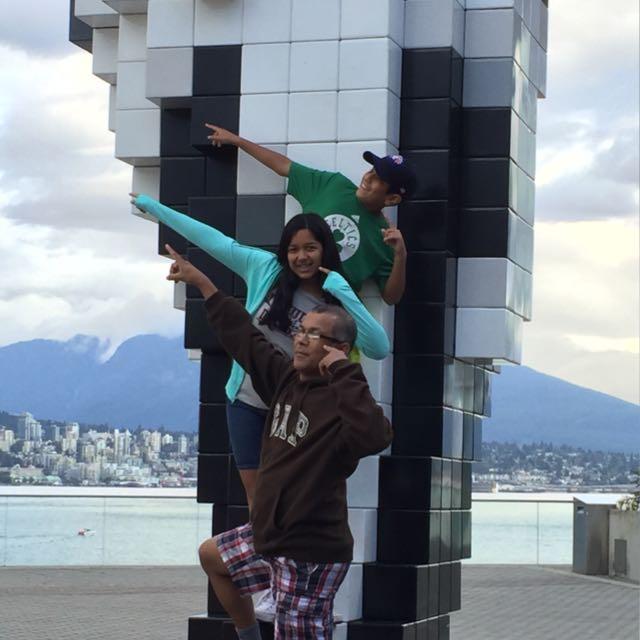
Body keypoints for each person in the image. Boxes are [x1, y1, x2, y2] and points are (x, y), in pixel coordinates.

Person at [163, 244, 393, 640]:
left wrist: (345, 371)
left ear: (337, 349)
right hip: (272, 535)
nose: (301, 340)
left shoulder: (344, 404)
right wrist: (202, 283)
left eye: (314, 335)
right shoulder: (287, 381)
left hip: (309, 552)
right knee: (213, 557)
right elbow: (245, 339)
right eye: (301, 330)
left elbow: (375, 435)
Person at [131, 193, 390, 511]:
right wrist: (154, 207)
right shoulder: (265, 268)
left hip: (298, 408)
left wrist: (342, 289)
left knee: (294, 496)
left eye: (310, 248)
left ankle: (291, 544)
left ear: (325, 249)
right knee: (258, 500)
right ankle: (265, 545)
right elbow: (213, 240)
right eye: (293, 249)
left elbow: (379, 347)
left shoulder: (335, 301)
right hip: (247, 401)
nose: (302, 257)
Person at [205, 124, 417, 304]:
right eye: (371, 170)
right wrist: (237, 141)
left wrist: (401, 255)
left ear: (391, 199)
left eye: (379, 179)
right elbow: (284, 166)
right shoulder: (334, 185)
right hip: (286, 293)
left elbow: (391, 297)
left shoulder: (385, 237)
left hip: (330, 314)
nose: (368, 177)